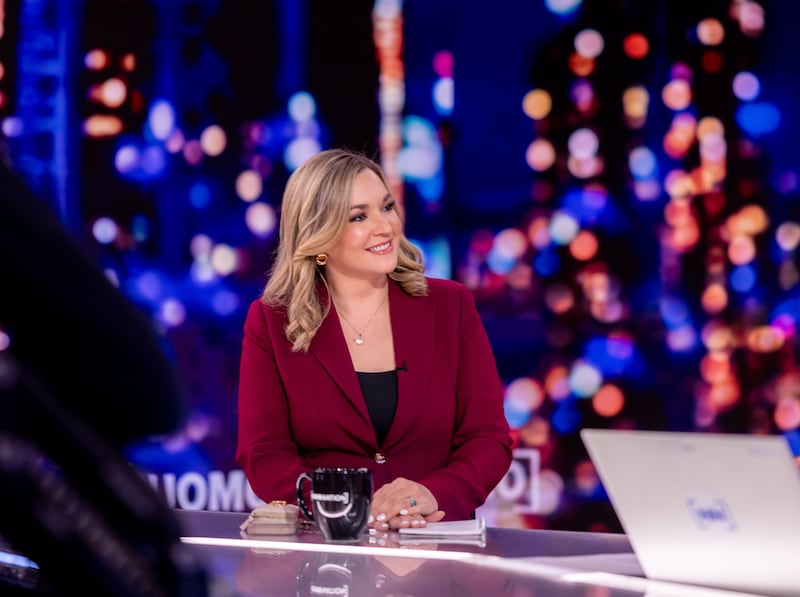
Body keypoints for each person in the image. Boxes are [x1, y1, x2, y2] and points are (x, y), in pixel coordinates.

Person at [236, 148, 512, 531]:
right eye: (359, 216)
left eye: (387, 207)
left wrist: (432, 494)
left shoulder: (451, 306)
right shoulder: (272, 322)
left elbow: (487, 438)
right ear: (319, 235)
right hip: (329, 545)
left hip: (434, 539)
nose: (384, 226)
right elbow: (264, 454)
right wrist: (345, 507)